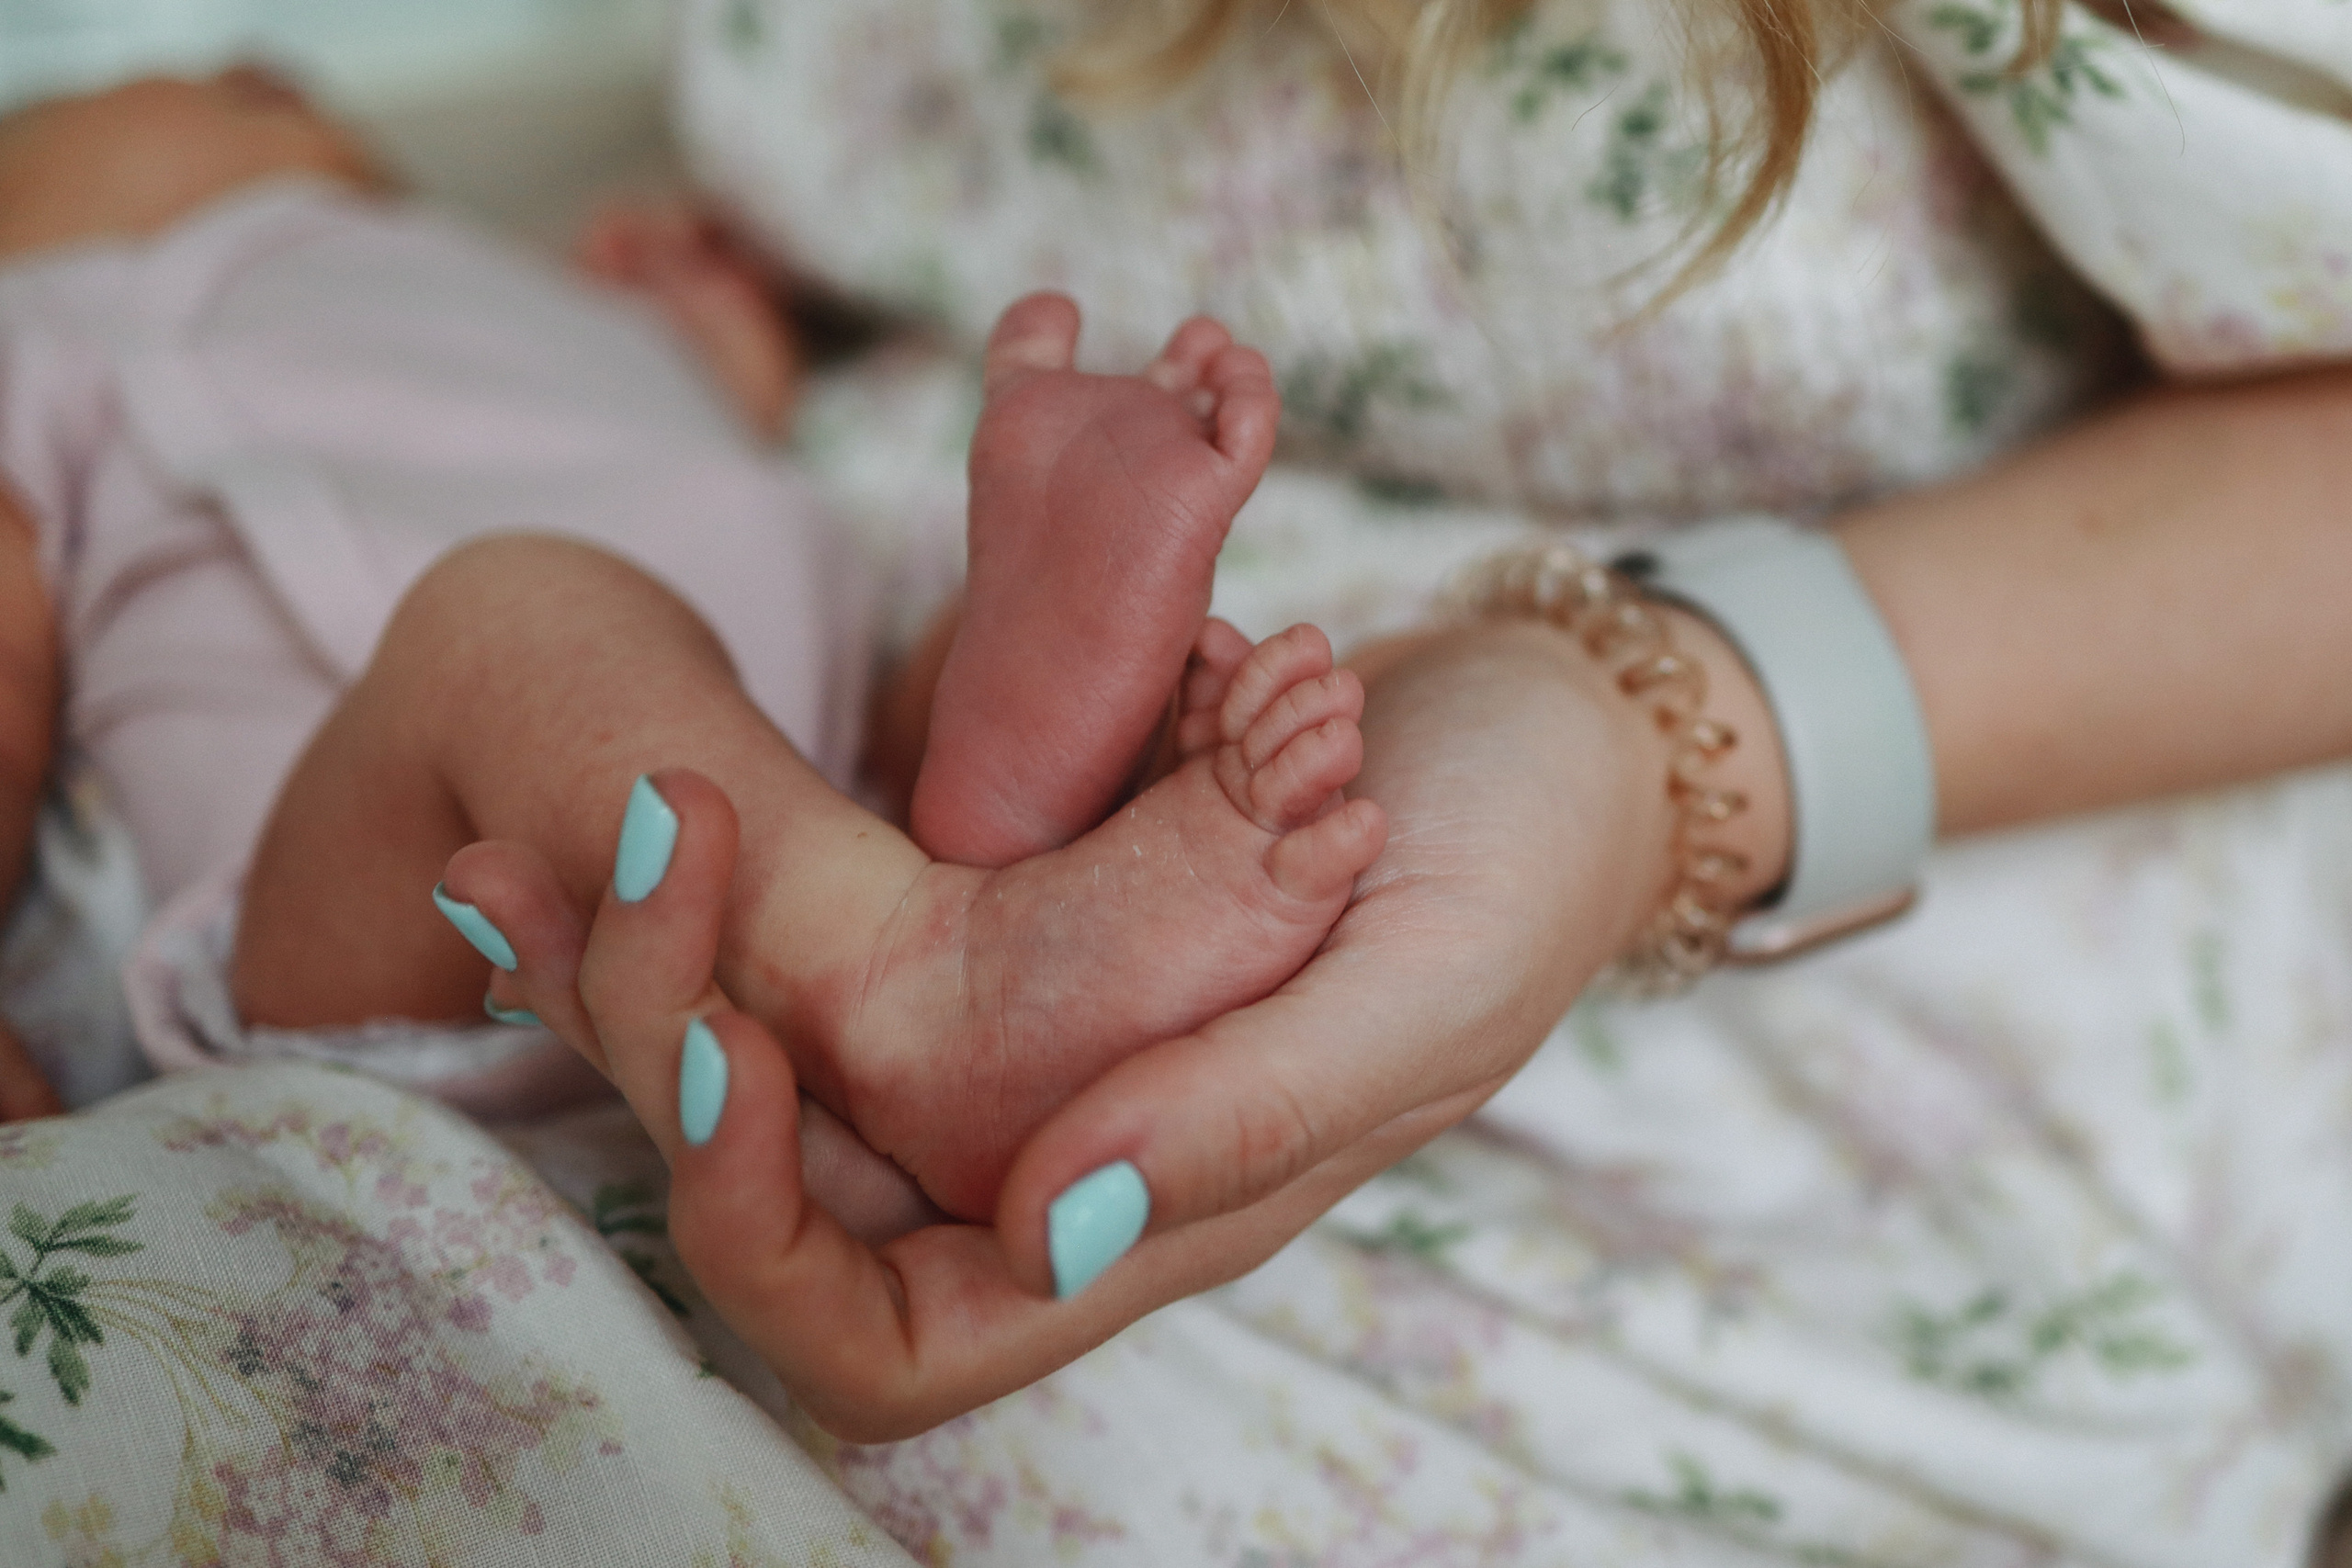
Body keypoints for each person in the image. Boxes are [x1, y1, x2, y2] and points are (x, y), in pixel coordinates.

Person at [443, 0, 2352, 1557]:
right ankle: (1019, 798)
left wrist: (1637, 738)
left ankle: (1037, 802)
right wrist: (704, 323)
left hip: (1840, 951)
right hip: (852, 688)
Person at [0, 71, 1392, 1226]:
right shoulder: (50, 317)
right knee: (508, 624)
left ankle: (1030, 764)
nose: (256, 90)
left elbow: (683, 458)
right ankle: (918, 986)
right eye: (193, 93)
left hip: (784, 765)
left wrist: (715, 360)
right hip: (384, 879)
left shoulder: (519, 296)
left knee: (881, 690)